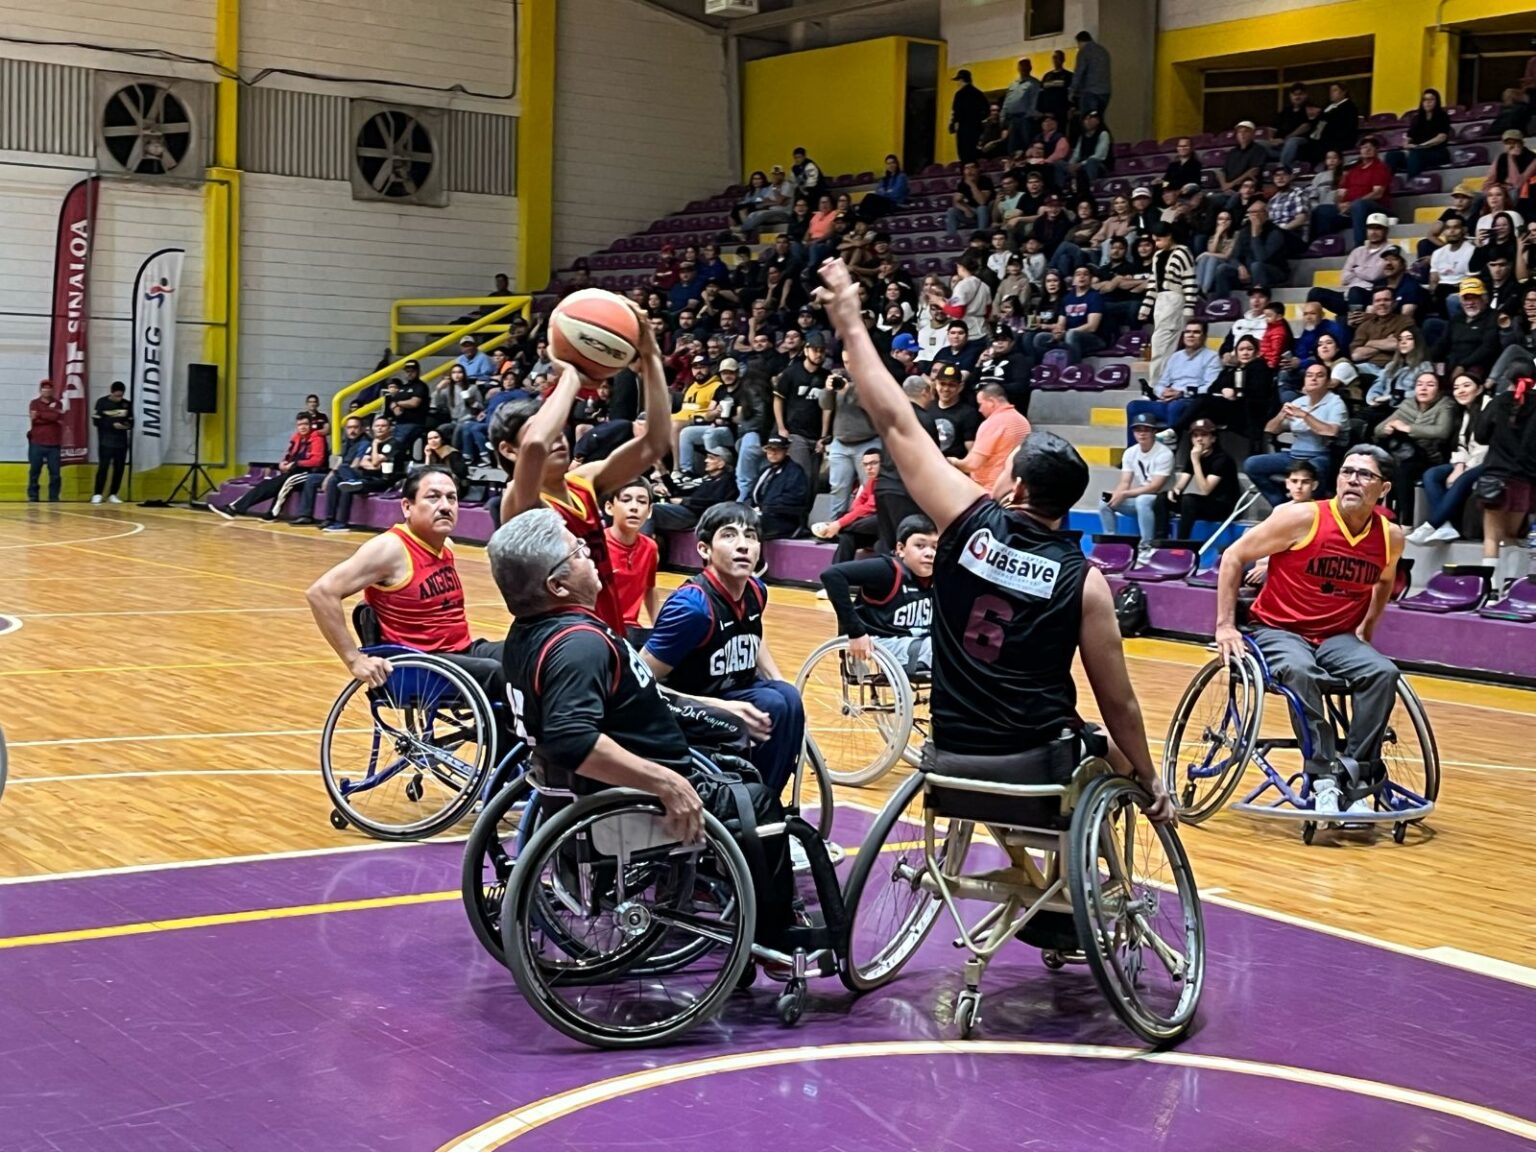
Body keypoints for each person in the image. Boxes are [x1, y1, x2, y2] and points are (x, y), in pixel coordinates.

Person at [814, 257, 1175, 823]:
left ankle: (1023, 870)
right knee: (1117, 756)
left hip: (949, 748)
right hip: (1035, 760)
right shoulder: (1087, 583)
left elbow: (896, 421)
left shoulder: (968, 519)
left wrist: (852, 323)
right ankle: (1094, 882)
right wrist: (1149, 774)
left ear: (1019, 486)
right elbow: (1120, 701)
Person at [488, 506, 794, 948]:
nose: (588, 554)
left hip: (588, 791)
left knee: (742, 736)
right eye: (576, 552)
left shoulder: (527, 634)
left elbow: (638, 690)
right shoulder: (580, 646)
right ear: (556, 585)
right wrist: (666, 783)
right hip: (630, 805)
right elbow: (573, 738)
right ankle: (778, 940)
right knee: (763, 803)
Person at [1215, 445, 1405, 817]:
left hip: (1336, 637)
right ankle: (1323, 778)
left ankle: (1356, 777)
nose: (1353, 480)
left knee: (1383, 672)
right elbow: (1233, 557)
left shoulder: (1389, 536)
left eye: (1365, 475)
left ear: (1383, 489)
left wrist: (1367, 629)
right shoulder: (1303, 518)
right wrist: (1224, 625)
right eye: (1347, 472)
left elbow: (1384, 582)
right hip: (1279, 629)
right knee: (1302, 673)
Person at [491, 301, 671, 637]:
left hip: (606, 628)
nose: (556, 438)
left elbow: (655, 442)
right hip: (561, 641)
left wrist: (650, 357)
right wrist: (570, 376)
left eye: (560, 429)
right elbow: (534, 447)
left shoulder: (584, 481)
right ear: (507, 450)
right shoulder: (519, 499)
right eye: (545, 429)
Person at [305, 467, 507, 710]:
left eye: (451, 498)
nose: (445, 506)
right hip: (420, 665)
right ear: (407, 507)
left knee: (525, 651)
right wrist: (354, 660)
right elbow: (321, 593)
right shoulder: (390, 549)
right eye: (433, 497)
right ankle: (517, 744)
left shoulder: (446, 546)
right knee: (498, 674)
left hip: (459, 652)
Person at [642, 503, 805, 793]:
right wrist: (721, 707)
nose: (743, 545)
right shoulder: (693, 608)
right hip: (684, 703)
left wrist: (780, 683)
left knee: (788, 697)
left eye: (751, 536)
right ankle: (754, 801)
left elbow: (753, 638)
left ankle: (766, 801)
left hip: (729, 688)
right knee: (774, 705)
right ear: (704, 549)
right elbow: (639, 682)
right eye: (729, 535)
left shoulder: (756, 590)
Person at [820, 514, 937, 677]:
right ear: (901, 549)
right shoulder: (886, 570)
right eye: (920, 545)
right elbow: (832, 575)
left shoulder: (939, 575)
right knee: (938, 650)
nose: (929, 553)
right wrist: (855, 632)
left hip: (919, 642)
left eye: (935, 547)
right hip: (881, 644)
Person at [1243, 363, 1346, 507]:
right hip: (1293, 456)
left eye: (1319, 375)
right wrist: (1280, 415)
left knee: (1313, 471)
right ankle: (1281, 505)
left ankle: (1314, 510)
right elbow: (1269, 429)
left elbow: (1331, 431)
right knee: (1251, 464)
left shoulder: (1335, 403)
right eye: (1309, 375)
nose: (1313, 379)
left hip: (1320, 456)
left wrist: (1304, 415)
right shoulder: (1298, 402)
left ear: (1328, 382)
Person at [1408, 373, 1491, 544]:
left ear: (1480, 389)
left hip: (1490, 461)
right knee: (1432, 474)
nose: (1460, 391)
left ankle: (1431, 525)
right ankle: (1446, 526)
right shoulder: (1464, 412)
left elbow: (1487, 447)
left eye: (1466, 386)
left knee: (1463, 479)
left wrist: (1464, 469)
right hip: (1469, 462)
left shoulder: (1489, 407)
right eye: (1456, 387)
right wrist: (1459, 466)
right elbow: (1461, 444)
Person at [212, 413, 329, 519]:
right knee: (267, 484)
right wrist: (283, 463)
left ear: (310, 425)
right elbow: (289, 454)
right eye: (299, 425)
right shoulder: (296, 437)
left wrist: (295, 463)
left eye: (305, 424)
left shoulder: (317, 438)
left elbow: (317, 461)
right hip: (294, 471)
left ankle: (273, 513)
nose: (302, 427)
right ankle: (234, 507)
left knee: (288, 481)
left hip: (311, 473)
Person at [1100, 417, 1174, 550]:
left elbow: (1155, 487)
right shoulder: (1130, 452)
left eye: (1146, 430)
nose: (1142, 433)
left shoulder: (1164, 453)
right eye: (1138, 430)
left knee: (1143, 500)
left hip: (1162, 499)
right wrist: (1117, 495)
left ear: (1154, 432)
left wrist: (1124, 494)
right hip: (1141, 495)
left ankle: (1146, 545)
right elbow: (1125, 482)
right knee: (1104, 502)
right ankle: (1110, 541)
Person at [321, 414, 401, 532]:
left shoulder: (392, 443)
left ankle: (341, 522)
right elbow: (363, 462)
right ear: (372, 428)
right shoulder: (359, 443)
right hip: (366, 476)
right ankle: (330, 518)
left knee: (345, 480)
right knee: (336, 479)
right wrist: (373, 464)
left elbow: (374, 462)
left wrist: (374, 446)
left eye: (383, 426)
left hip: (382, 480)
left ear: (390, 428)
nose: (380, 428)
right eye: (377, 426)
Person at [1162, 418, 1238, 540]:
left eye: (1204, 435)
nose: (1199, 439)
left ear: (1213, 438)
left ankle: (1181, 543)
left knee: (1189, 499)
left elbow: (1205, 490)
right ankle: (1159, 541)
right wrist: (1174, 490)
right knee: (1163, 498)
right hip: (1204, 503)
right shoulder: (1194, 455)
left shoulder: (1222, 459)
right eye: (1195, 436)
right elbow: (1181, 484)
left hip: (1222, 506)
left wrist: (1196, 461)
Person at [602, 480, 660, 639]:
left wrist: (659, 628)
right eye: (626, 500)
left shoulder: (650, 548)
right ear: (609, 507)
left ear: (649, 511)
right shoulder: (595, 546)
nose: (634, 507)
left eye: (642, 502)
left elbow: (649, 589)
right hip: (596, 628)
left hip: (629, 631)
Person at [1140, 223, 1196, 385]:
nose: (1156, 244)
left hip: (1175, 298)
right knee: (1161, 343)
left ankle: (1156, 383)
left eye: (1159, 239)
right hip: (1161, 301)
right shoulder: (1157, 256)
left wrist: (1189, 307)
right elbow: (1153, 283)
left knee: (1162, 343)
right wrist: (1146, 306)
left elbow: (1189, 280)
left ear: (1169, 236)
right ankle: (1160, 382)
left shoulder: (1182, 253)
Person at [951, 383, 1030, 492]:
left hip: (989, 490)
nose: (979, 410)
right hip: (1014, 489)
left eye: (980, 404)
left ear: (992, 402)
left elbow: (972, 464)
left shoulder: (992, 423)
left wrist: (953, 462)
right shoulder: (1023, 422)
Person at [811, 447, 882, 563]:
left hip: (886, 528)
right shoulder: (872, 480)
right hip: (870, 527)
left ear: (883, 464)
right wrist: (843, 520)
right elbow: (860, 502)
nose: (869, 468)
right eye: (865, 464)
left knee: (852, 522)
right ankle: (836, 574)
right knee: (847, 536)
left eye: (873, 463)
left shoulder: (886, 482)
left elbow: (869, 508)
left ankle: (838, 529)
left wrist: (840, 523)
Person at [92, 381, 132, 504]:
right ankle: (98, 493)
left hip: (121, 442)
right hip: (106, 441)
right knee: (103, 468)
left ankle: (113, 494)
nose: (118, 398)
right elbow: (96, 421)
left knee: (119, 469)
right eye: (116, 396)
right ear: (111, 392)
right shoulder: (101, 402)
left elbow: (131, 422)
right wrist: (111, 424)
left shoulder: (127, 404)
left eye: (121, 396)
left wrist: (124, 426)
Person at [26, 379, 64, 503]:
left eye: (49, 388)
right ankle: (33, 496)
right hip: (37, 442)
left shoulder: (58, 403)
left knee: (55, 473)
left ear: (52, 390)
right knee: (34, 471)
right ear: (40, 390)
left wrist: (41, 415)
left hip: (54, 444)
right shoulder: (34, 403)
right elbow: (35, 419)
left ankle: (53, 497)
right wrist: (50, 414)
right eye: (44, 388)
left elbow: (56, 416)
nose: (46, 390)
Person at [950, 69, 991, 164]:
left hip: (963, 128)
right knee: (974, 155)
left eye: (958, 81)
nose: (958, 83)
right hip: (976, 128)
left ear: (962, 80)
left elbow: (956, 112)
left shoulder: (959, 94)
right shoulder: (979, 94)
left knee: (964, 155)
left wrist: (953, 124)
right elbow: (986, 111)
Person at [1069, 30, 1112, 117]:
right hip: (1105, 92)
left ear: (1080, 42)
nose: (1078, 46)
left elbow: (1079, 73)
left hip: (1090, 92)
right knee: (1099, 120)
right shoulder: (1103, 51)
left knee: (1088, 121)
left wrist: (1072, 91)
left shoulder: (1084, 52)